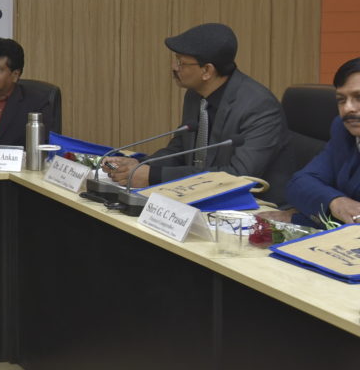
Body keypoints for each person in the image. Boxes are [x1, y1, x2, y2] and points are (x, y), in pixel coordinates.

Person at [104, 23, 293, 205]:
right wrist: (139, 165)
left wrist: (153, 176)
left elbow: (239, 176)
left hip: (255, 206)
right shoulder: (196, 94)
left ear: (207, 71)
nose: (174, 67)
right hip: (197, 196)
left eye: (181, 62)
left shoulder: (259, 106)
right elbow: (180, 149)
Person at [283, 57, 360, 225]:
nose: (347, 108)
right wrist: (335, 202)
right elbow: (299, 183)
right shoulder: (342, 129)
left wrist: (297, 219)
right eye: (341, 99)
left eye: (359, 97)